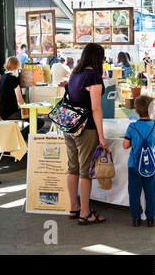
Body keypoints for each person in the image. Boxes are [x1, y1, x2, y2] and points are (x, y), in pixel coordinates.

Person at [64, 43, 108, 225]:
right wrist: (102, 136)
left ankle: (74, 207)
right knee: (85, 171)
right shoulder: (93, 76)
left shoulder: (75, 73)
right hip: (86, 128)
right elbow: (96, 109)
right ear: (98, 58)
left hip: (69, 125)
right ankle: (85, 213)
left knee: (72, 167)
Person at [123, 95, 155, 227]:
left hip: (134, 164)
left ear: (136, 111)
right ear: (151, 110)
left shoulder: (132, 127)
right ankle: (151, 217)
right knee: (150, 191)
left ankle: (136, 218)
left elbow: (125, 145)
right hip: (150, 164)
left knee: (134, 192)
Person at [0, 56, 44, 140]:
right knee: (39, 121)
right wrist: (27, 108)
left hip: (3, 112)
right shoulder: (13, 78)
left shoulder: (3, 77)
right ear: (18, 66)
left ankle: (18, 138)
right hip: (11, 113)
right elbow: (20, 100)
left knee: (32, 118)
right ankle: (18, 138)